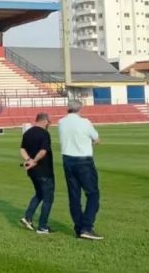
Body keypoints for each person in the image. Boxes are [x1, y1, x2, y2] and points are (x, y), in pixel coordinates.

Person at [58, 100, 103, 240]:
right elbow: (97, 139)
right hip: (83, 160)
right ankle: (87, 227)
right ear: (80, 109)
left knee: (74, 196)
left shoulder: (61, 122)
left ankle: (79, 228)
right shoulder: (85, 122)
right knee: (93, 194)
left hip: (67, 160)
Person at [19, 112, 55, 234]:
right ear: (44, 121)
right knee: (48, 198)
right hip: (44, 170)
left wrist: (28, 160)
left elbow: (22, 149)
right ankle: (43, 226)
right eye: (48, 122)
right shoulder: (44, 134)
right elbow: (43, 151)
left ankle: (27, 217)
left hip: (32, 171)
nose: (49, 124)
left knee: (39, 194)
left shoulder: (28, 133)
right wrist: (34, 161)